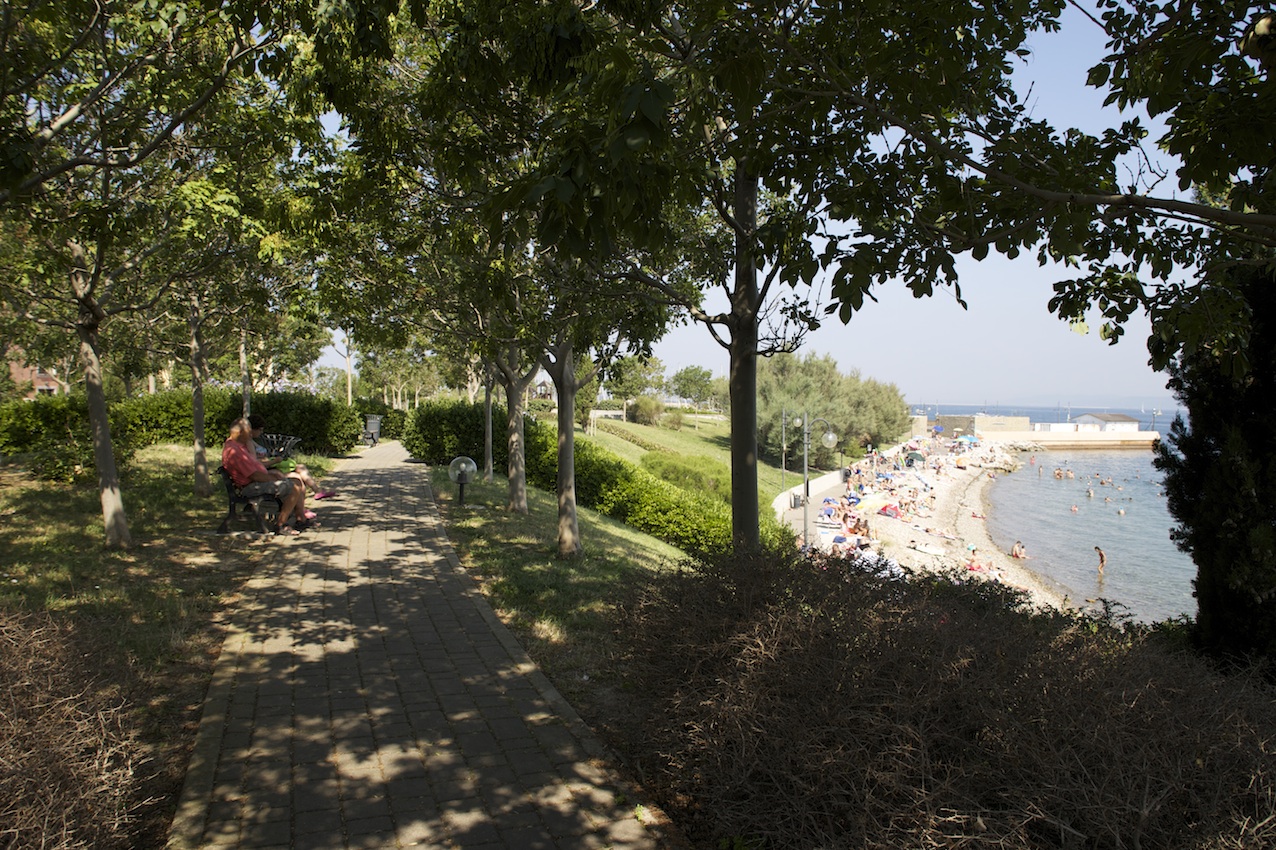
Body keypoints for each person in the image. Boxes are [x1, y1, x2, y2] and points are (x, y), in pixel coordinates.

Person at [222, 417, 307, 535]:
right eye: (248, 431)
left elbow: (255, 469)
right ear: (240, 432)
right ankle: (281, 524)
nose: (250, 434)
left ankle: (300, 519)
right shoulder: (235, 451)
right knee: (295, 485)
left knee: (295, 481)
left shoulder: (237, 446)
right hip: (250, 487)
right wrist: (274, 478)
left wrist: (273, 474)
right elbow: (255, 476)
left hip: (255, 482)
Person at [247, 414, 337, 501]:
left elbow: (263, 456)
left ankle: (316, 491)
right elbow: (256, 463)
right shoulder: (248, 443)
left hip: (271, 467)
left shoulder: (251, 441)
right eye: (260, 430)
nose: (261, 432)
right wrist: (275, 461)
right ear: (252, 429)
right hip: (267, 470)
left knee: (301, 467)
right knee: (296, 477)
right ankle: (300, 508)